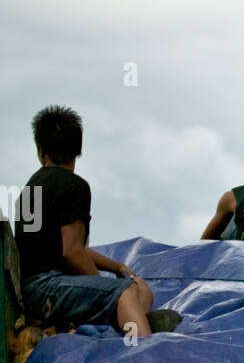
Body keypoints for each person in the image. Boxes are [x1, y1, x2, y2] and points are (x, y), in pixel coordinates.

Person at [15, 105, 170, 336]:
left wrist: (117, 267)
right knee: (125, 293)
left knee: (140, 288)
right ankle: (145, 356)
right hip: (46, 290)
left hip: (34, 289)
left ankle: (136, 327)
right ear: (77, 149)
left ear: (40, 151)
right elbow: (72, 252)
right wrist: (105, 289)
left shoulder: (30, 190)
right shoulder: (74, 186)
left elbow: (68, 248)